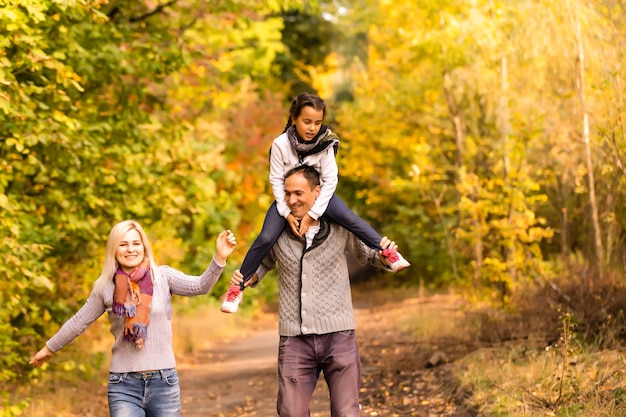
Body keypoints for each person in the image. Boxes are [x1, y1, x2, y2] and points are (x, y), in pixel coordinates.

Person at [230, 164, 400, 416]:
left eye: (298, 193)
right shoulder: (277, 232)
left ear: (317, 192)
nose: (292, 200)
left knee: (346, 412)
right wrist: (245, 278)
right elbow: (263, 264)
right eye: (287, 194)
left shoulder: (340, 228)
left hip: (338, 336)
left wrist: (386, 256)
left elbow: (370, 253)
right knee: (290, 412)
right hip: (294, 340)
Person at [220, 92, 409, 313]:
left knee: (349, 219)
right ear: (294, 119)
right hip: (287, 199)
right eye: (307, 122)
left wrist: (313, 214)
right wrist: (286, 213)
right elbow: (276, 180)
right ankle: (237, 289)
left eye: (317, 123)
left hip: (321, 197)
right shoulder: (281, 145)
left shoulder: (326, 141)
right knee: (266, 237)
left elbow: (330, 180)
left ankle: (387, 252)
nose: (312, 128)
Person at [29, 219, 237, 417]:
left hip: (164, 382)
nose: (131, 249)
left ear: (144, 247)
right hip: (123, 384)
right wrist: (49, 348)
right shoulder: (105, 286)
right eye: (123, 244)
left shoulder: (162, 276)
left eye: (136, 243)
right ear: (114, 249)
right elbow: (78, 321)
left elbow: (200, 286)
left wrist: (219, 258)